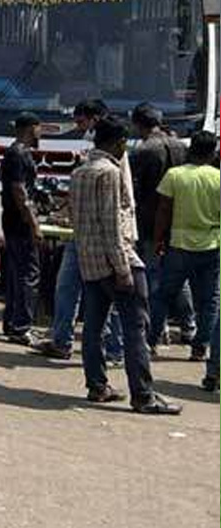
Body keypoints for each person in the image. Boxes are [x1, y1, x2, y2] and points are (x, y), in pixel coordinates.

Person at [70, 117, 181, 414]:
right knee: (136, 329)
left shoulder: (80, 171)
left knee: (93, 328)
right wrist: (123, 270)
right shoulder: (109, 172)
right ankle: (143, 396)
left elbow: (79, 223)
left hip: (90, 262)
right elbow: (112, 226)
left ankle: (97, 386)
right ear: (118, 142)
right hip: (116, 262)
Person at [32, 100, 126, 360]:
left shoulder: (116, 160)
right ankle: (62, 341)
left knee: (110, 297)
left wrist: (120, 250)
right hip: (80, 236)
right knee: (67, 287)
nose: (79, 127)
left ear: (95, 121)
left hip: (103, 240)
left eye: (82, 122)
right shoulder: (92, 158)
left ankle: (113, 349)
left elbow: (120, 207)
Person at [151, 131, 220, 362]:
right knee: (209, 300)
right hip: (211, 245)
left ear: (191, 150)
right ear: (213, 153)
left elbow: (163, 210)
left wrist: (158, 238)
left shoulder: (175, 175)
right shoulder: (218, 177)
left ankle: (151, 341)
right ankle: (200, 347)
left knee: (163, 295)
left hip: (178, 245)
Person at [130, 102, 194, 345]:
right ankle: (189, 327)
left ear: (138, 124)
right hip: (178, 220)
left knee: (152, 276)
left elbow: (134, 187)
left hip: (150, 222)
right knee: (179, 278)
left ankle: (157, 328)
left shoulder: (144, 150)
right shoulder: (180, 145)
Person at [0, 112, 43, 344]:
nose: (41, 133)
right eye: (38, 128)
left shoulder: (16, 153)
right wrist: (33, 223)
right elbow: (19, 191)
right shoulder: (18, 153)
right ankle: (21, 326)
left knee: (18, 273)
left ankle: (12, 323)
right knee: (29, 274)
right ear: (29, 128)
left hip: (14, 220)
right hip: (19, 222)